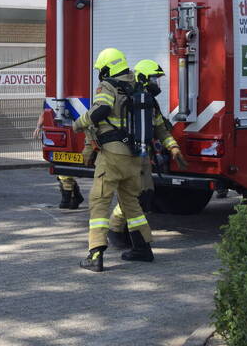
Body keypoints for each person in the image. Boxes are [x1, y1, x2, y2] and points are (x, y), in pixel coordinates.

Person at [72, 49, 186, 272]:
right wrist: (173, 146)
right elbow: (160, 127)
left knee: (100, 202)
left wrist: (77, 123)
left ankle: (95, 255)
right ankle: (142, 249)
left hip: (112, 156)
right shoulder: (141, 91)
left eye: (101, 69)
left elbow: (100, 109)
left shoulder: (109, 86)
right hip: (135, 157)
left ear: (108, 68)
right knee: (131, 203)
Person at [107, 59, 166, 248]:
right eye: (154, 78)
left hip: (145, 157)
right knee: (135, 197)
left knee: (145, 197)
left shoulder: (149, 101)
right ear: (142, 78)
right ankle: (116, 231)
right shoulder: (131, 101)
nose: (157, 83)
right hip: (131, 156)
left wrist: (171, 146)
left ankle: (127, 236)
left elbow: (159, 126)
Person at [33, 108, 84, 209]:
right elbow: (45, 112)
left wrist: (38, 127)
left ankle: (71, 198)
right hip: (63, 134)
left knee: (63, 168)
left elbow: (44, 111)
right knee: (63, 168)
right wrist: (38, 127)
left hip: (66, 133)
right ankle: (72, 198)